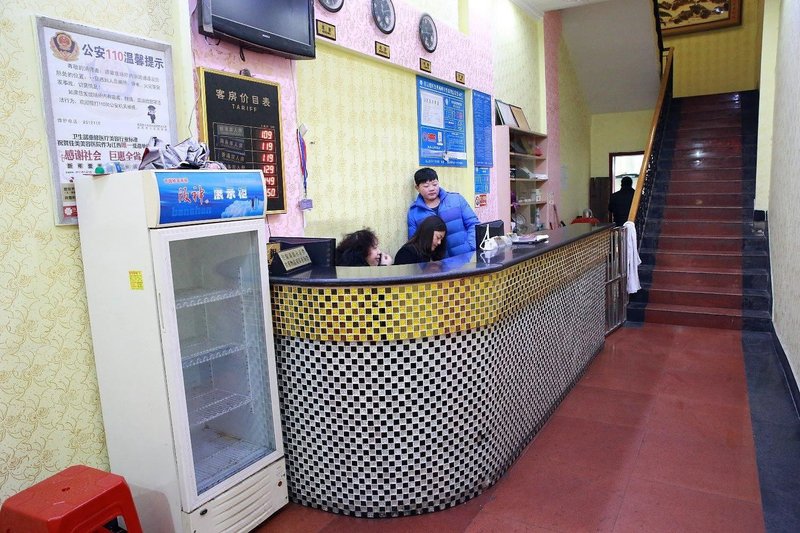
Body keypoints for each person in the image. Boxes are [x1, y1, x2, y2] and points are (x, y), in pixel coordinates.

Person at [407, 168, 479, 257]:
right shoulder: (414, 212)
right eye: (426, 186)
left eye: (435, 184)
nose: (432, 189)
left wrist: (470, 246)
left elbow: (473, 224)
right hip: (437, 262)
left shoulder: (456, 200)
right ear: (417, 188)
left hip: (466, 257)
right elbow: (414, 242)